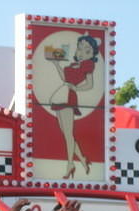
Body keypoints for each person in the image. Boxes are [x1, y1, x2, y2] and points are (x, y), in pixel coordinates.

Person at [48, 33, 100, 179]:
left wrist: (76, 88)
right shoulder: (73, 65)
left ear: (92, 52)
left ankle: (70, 164)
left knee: (68, 134)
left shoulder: (88, 64)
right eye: (80, 48)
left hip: (68, 97)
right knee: (66, 134)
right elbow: (64, 78)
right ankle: (83, 159)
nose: (83, 51)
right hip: (61, 95)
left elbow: (90, 84)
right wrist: (57, 64)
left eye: (87, 49)